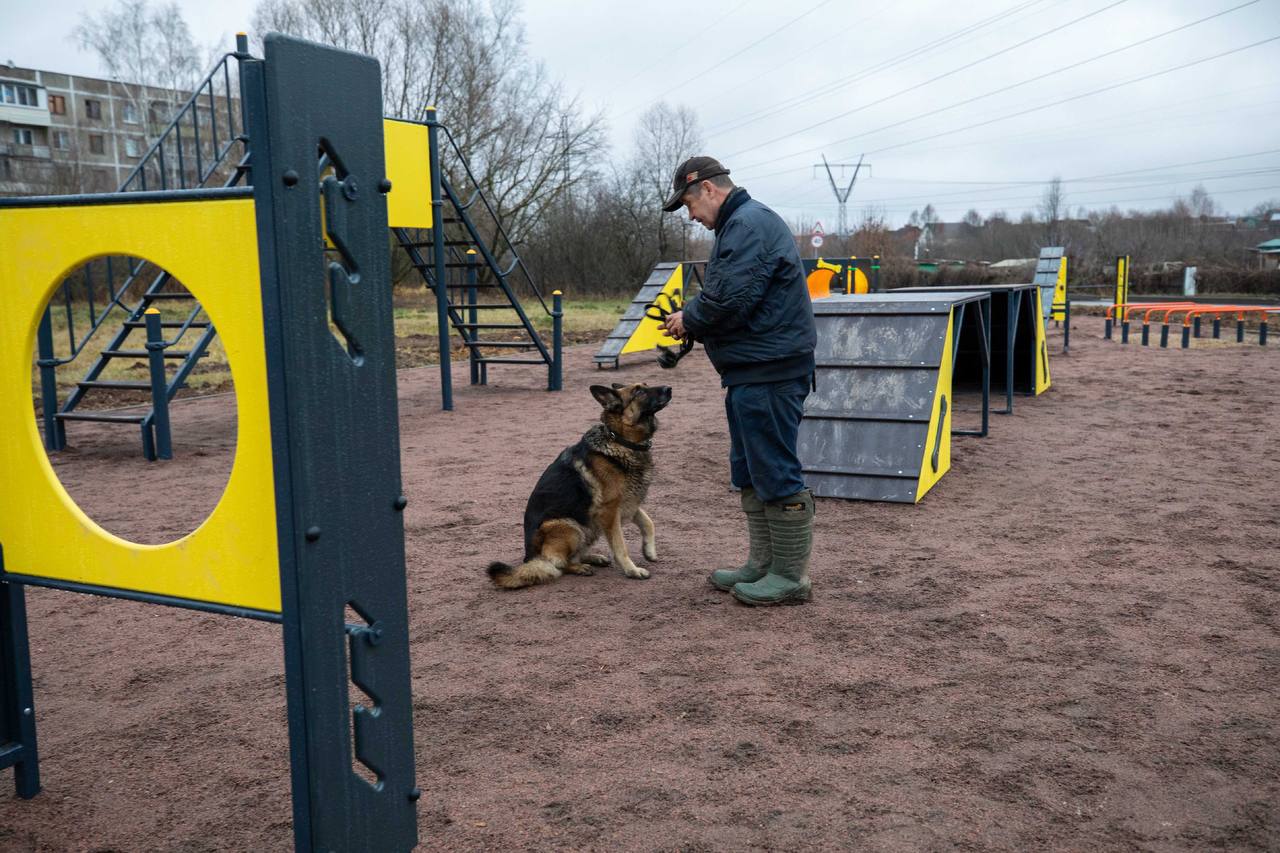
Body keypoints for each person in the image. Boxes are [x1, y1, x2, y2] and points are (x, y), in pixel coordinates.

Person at [658, 156, 817, 606]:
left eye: (689, 203)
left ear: (708, 189)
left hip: (771, 370)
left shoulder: (748, 225)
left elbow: (731, 299)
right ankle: (763, 564)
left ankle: (789, 576)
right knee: (750, 469)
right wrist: (694, 313)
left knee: (775, 468)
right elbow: (730, 291)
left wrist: (689, 317)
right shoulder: (741, 225)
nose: (690, 215)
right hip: (753, 369)